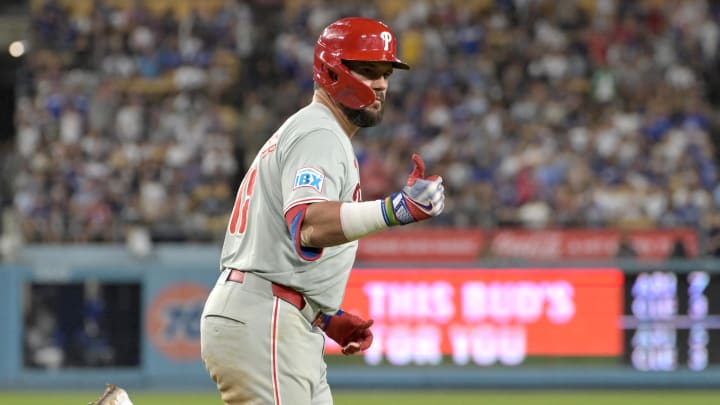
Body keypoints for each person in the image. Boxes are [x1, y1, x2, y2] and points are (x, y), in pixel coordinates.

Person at [199, 17, 445, 405]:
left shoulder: (317, 131)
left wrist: (323, 315)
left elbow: (283, 243)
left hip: (278, 313)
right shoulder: (320, 131)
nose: (381, 83)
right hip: (266, 315)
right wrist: (397, 209)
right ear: (332, 70)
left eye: (385, 73)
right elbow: (308, 225)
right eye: (368, 71)